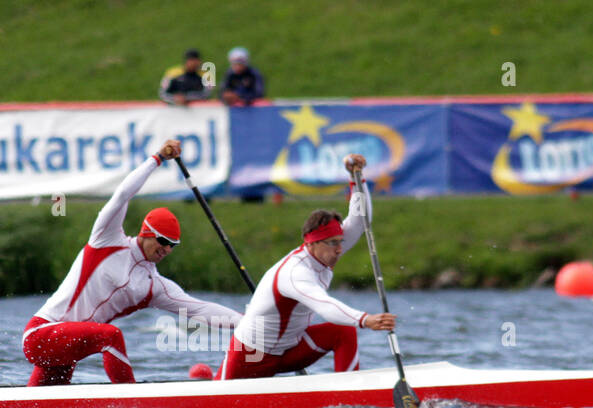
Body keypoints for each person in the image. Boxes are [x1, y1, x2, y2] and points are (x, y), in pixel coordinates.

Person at [23, 140, 241, 386]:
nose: (166, 249)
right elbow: (123, 194)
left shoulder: (154, 286)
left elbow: (200, 310)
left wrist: (248, 323)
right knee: (111, 337)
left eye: (173, 245)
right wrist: (157, 158)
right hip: (41, 334)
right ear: (146, 232)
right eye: (162, 240)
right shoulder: (107, 240)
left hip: (67, 351)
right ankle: (131, 399)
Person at [217, 154, 395, 380]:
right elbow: (325, 305)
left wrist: (356, 178)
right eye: (332, 243)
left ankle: (351, 391)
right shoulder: (295, 273)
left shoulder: (327, 249)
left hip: (289, 352)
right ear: (311, 243)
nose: (339, 249)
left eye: (340, 242)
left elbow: (360, 221)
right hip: (250, 357)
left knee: (343, 332)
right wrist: (365, 319)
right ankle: (207, 379)